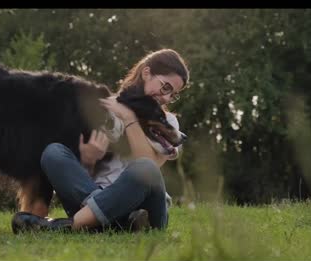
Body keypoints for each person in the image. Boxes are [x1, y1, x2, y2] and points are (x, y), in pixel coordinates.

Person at [12, 48, 190, 232]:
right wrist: (89, 160)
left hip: (146, 208)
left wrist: (129, 118)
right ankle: (119, 222)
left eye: (173, 94)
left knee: (144, 168)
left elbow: (147, 165)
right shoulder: (106, 108)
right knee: (53, 153)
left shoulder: (167, 123)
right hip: (95, 201)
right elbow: (79, 179)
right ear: (146, 72)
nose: (166, 97)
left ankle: (73, 225)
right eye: (166, 87)